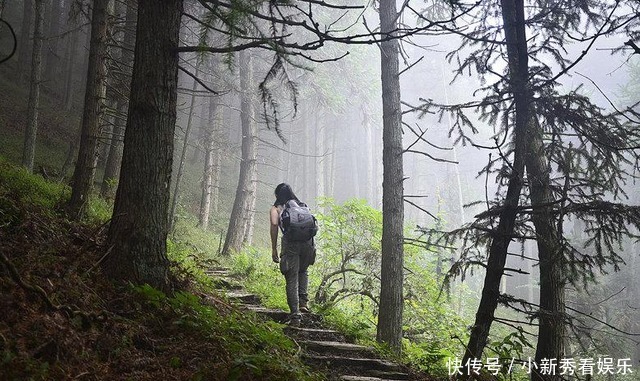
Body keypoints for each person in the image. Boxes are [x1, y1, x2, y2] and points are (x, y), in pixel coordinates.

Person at [270, 183, 316, 325]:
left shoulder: (276, 208)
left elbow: (274, 224)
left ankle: (295, 316)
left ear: (277, 195)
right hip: (308, 244)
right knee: (303, 271)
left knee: (292, 277)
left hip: (291, 244)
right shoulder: (302, 205)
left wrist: (274, 248)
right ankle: (303, 303)